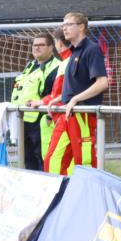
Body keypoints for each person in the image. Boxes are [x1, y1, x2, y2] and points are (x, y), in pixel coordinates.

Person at [44, 12, 108, 174]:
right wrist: (57, 99)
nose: (64, 28)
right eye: (63, 24)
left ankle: (89, 197)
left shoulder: (92, 50)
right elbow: (76, 85)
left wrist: (75, 100)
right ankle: (59, 196)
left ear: (81, 27)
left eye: (68, 24)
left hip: (83, 114)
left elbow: (102, 83)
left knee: (85, 162)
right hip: (68, 113)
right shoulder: (74, 52)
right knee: (52, 160)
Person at [12, 34, 61, 170]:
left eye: (41, 45)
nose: (36, 48)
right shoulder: (31, 65)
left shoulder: (57, 67)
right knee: (27, 159)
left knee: (42, 158)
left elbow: (56, 94)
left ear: (51, 47)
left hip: (44, 121)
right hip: (25, 120)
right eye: (34, 45)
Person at [41, 29, 73, 174]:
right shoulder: (70, 60)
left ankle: (57, 193)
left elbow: (60, 93)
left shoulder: (67, 62)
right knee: (71, 161)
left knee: (53, 160)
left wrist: (47, 101)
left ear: (59, 43)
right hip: (63, 116)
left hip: (65, 117)